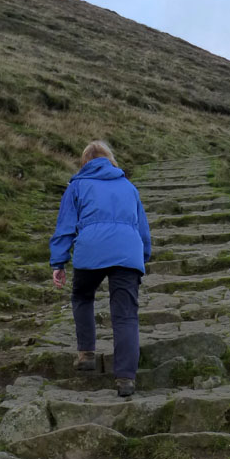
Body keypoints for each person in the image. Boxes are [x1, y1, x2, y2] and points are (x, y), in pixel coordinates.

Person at [49, 140, 151, 397]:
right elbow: (142, 229)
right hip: (127, 253)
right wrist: (142, 256)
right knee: (125, 315)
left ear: (85, 163)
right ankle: (126, 379)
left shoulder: (77, 186)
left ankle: (86, 354)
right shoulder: (129, 186)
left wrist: (58, 262)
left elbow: (65, 227)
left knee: (82, 296)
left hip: (90, 251)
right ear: (110, 160)